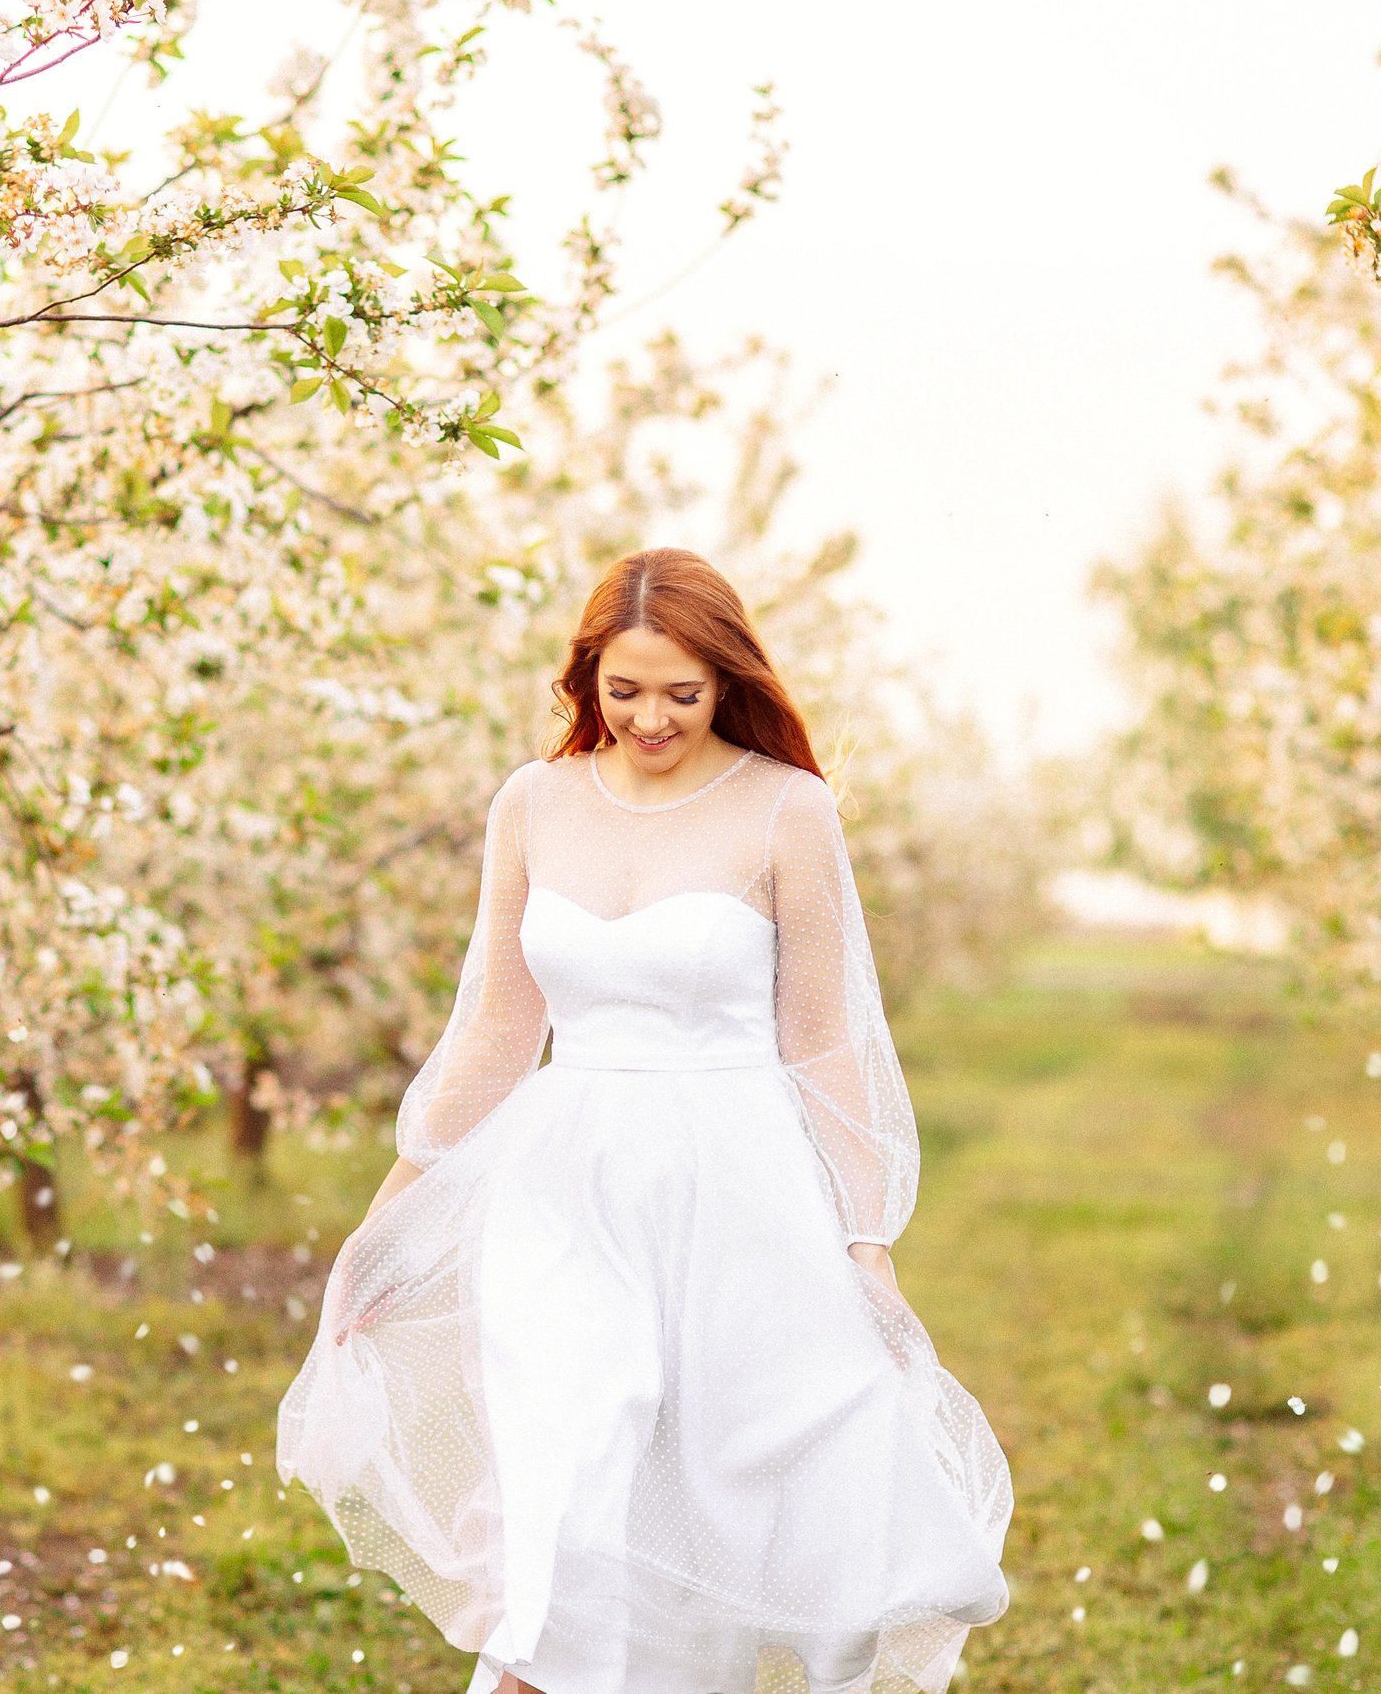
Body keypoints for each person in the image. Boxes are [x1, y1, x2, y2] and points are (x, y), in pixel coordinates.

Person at [277, 548, 1012, 1694]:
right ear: (586, 678)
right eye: (624, 691)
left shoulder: (785, 808)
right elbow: (494, 1032)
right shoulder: (532, 803)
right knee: (570, 1465)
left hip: (737, 1187)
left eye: (682, 692)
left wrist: (867, 1242)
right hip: (564, 1187)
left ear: (726, 680)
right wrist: (387, 1225)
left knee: (713, 1488)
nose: (651, 717)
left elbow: (823, 1043)